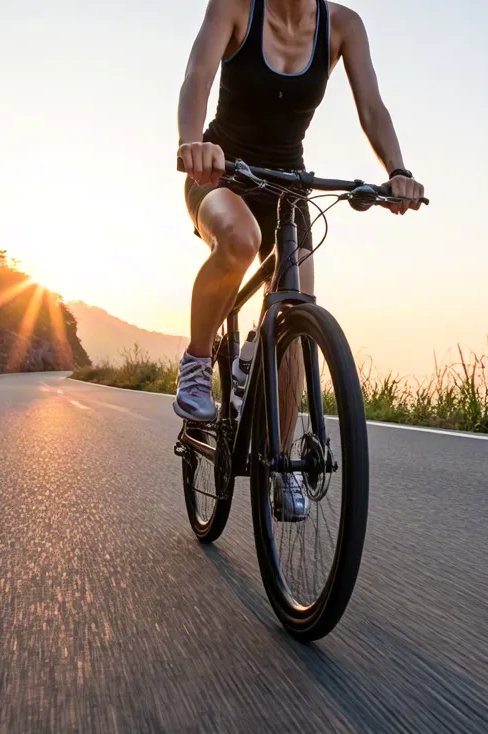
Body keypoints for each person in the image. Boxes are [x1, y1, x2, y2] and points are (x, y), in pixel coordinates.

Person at [175, 0, 423, 518]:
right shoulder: (235, 7)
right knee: (240, 240)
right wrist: (193, 143)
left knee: (294, 309)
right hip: (220, 172)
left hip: (289, 182)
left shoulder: (344, 26)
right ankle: (198, 363)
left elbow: (372, 109)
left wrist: (397, 169)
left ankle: (279, 462)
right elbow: (198, 75)